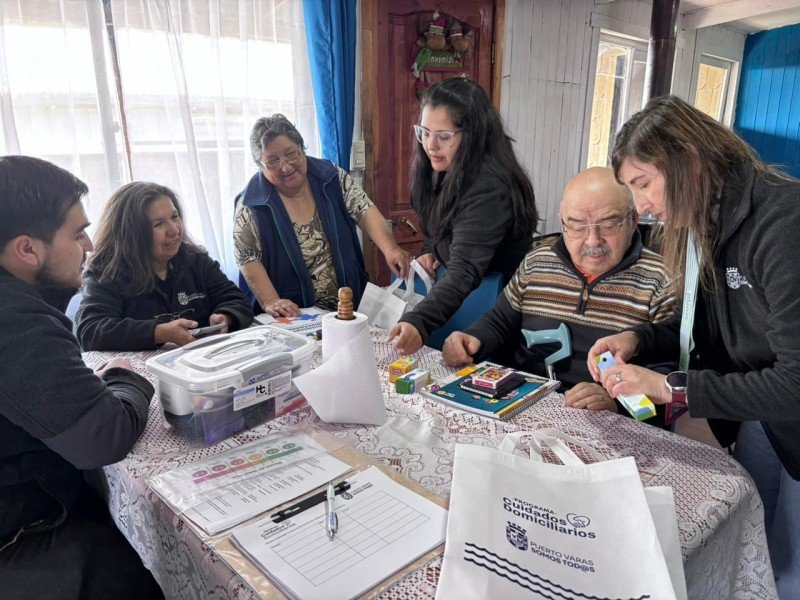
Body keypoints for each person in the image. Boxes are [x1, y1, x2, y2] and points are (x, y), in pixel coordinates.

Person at [588, 95, 800, 595]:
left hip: (787, 405)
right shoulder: (706, 219)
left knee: (789, 567)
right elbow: (705, 329)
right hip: (764, 416)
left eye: (642, 184)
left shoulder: (782, 224)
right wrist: (638, 338)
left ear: (689, 157)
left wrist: (671, 389)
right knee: (749, 536)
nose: (640, 206)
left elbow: (795, 384)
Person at [0, 156, 162, 599]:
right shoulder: (16, 319)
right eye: (76, 233)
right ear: (27, 249)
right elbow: (102, 437)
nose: (89, 244)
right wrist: (128, 380)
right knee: (146, 573)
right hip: (24, 530)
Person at [442, 167, 676, 419]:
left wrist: (615, 403)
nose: (592, 241)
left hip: (604, 425)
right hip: (522, 408)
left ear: (632, 221)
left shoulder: (662, 280)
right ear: (562, 223)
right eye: (576, 226)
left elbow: (665, 384)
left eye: (608, 224)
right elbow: (500, 321)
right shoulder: (537, 263)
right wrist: (471, 339)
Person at [388, 77, 539, 355]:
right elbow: (440, 225)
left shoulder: (490, 185)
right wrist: (430, 250)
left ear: (471, 136)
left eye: (443, 136)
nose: (430, 145)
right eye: (424, 132)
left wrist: (419, 320)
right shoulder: (441, 167)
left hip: (496, 308)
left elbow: (464, 270)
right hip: (463, 297)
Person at [234, 113, 410, 317]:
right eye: (272, 161)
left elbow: (364, 209)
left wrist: (390, 248)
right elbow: (248, 258)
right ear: (260, 165)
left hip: (348, 304)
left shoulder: (331, 176)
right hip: (294, 315)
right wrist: (272, 301)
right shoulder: (250, 204)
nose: (286, 167)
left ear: (302, 148)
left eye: (291, 154)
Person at [76, 182, 253, 351]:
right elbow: (91, 330)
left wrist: (226, 316)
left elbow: (236, 300)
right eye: (158, 224)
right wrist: (158, 332)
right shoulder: (105, 272)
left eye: (175, 217)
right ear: (132, 234)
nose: (174, 230)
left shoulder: (197, 260)